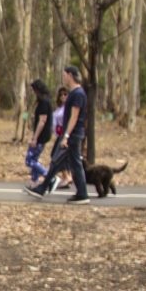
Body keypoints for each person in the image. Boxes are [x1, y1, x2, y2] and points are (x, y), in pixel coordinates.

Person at [25, 65, 89, 204]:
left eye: (64, 75)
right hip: (73, 134)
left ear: (70, 75)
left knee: (56, 161)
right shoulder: (75, 93)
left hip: (72, 135)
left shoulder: (78, 94)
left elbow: (74, 117)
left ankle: (43, 188)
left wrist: (66, 136)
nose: (63, 77)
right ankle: (82, 194)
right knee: (74, 164)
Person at [24, 79, 53, 186]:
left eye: (34, 90)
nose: (33, 92)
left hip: (41, 136)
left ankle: (49, 176)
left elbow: (42, 121)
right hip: (42, 135)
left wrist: (35, 138)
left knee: (29, 160)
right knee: (34, 158)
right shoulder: (43, 101)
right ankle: (34, 181)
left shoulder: (44, 102)